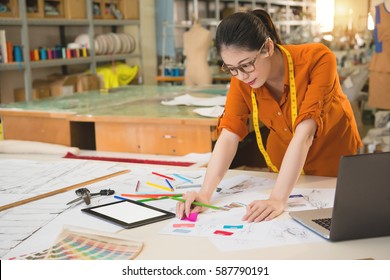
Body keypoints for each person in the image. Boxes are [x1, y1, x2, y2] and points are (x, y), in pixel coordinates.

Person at [176, 9, 362, 222]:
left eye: (246, 65)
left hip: (332, 159)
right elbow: (229, 134)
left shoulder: (318, 59)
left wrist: (277, 199)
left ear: (268, 48)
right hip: (287, 167)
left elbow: (305, 134)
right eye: (231, 69)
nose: (241, 76)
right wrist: (205, 193)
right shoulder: (242, 77)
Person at [183, 20, 213, 86]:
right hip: (189, 72)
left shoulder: (207, 33)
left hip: (202, 72)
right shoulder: (185, 35)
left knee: (203, 95)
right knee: (189, 96)